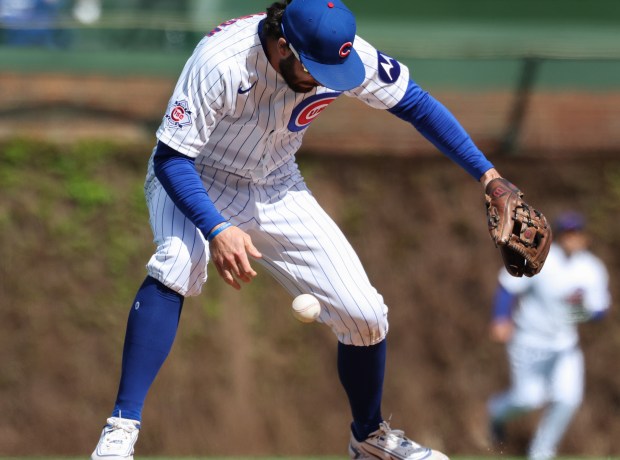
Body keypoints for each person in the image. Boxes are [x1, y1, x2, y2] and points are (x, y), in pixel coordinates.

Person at [90, 1, 521, 459]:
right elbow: (171, 158)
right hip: (195, 176)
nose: (323, 79)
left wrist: (489, 176)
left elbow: (415, 103)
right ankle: (120, 430)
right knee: (179, 261)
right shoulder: (221, 61)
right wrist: (216, 228)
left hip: (276, 184)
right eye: (314, 68)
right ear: (282, 46)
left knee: (366, 316)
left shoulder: (342, 56)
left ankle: (369, 439)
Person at [487, 211, 611, 460]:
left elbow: (600, 310)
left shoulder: (592, 268)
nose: (571, 238)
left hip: (565, 345)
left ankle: (541, 452)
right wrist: (501, 317)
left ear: (584, 237)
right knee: (528, 399)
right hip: (528, 340)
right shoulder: (539, 259)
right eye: (567, 233)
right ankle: (496, 412)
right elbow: (507, 286)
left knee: (568, 398)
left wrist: (588, 309)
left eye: (576, 233)